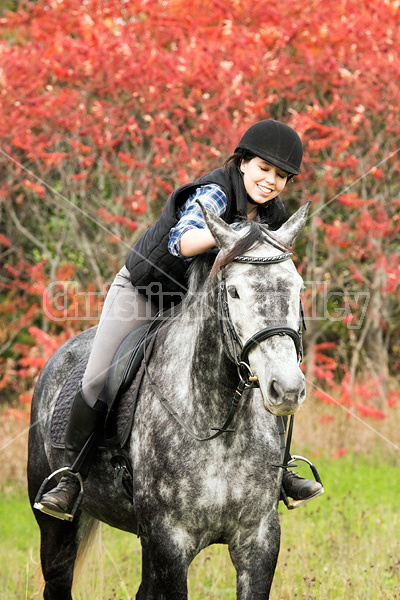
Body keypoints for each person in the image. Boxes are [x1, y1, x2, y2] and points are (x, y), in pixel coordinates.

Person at [35, 119, 323, 520]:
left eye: (281, 176)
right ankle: (70, 478)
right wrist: (241, 235)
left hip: (199, 304)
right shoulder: (214, 193)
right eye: (263, 169)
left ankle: (280, 470)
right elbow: (183, 241)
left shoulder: (274, 213)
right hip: (146, 291)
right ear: (242, 163)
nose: (271, 181)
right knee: (100, 375)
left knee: (269, 364)